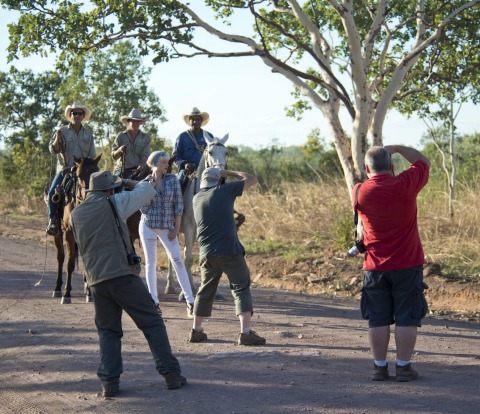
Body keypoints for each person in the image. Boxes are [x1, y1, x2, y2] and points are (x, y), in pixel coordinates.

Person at [69, 170, 187, 397]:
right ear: (110, 190)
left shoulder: (76, 214)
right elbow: (147, 190)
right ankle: (171, 373)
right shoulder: (115, 203)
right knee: (152, 322)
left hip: (96, 280)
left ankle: (109, 383)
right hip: (122, 275)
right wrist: (127, 181)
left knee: (108, 330)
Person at [354, 145, 430, 382]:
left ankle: (379, 367)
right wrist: (396, 148)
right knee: (407, 316)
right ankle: (404, 367)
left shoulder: (358, 191)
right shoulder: (405, 184)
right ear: (392, 165)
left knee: (377, 318)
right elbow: (422, 161)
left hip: (374, 266)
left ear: (367, 168)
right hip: (407, 263)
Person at [189, 167, 266, 346]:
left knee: (205, 290)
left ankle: (196, 330)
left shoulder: (196, 198)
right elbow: (252, 178)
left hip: (207, 253)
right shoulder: (224, 190)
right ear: (219, 180)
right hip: (229, 251)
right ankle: (245, 332)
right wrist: (228, 173)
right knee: (241, 287)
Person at [139, 150, 195, 317]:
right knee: (150, 262)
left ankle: (190, 301)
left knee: (177, 259)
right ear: (155, 163)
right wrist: (151, 188)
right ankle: (154, 302)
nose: (167, 164)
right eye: (163, 162)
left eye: (166, 162)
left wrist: (176, 228)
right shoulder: (145, 182)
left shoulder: (173, 180)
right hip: (148, 224)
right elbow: (143, 208)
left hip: (167, 226)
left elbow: (179, 205)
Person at [46, 102, 96, 235]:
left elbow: (92, 155)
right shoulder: (61, 131)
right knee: (53, 192)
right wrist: (57, 139)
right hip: (66, 170)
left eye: (80, 113)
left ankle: (98, 222)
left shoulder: (88, 134)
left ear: (83, 116)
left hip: (83, 170)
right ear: (70, 115)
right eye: (74, 113)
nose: (77, 115)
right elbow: (53, 150)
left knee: (99, 192)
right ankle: (53, 221)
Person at [172, 107, 213, 186]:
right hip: (187, 171)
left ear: (201, 121)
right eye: (193, 119)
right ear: (189, 121)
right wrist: (184, 164)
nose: (195, 121)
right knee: (178, 184)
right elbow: (175, 157)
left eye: (197, 119)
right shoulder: (182, 137)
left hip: (205, 169)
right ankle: (177, 198)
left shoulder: (209, 136)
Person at [112, 108, 151, 179]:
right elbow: (114, 156)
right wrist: (119, 150)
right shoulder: (120, 136)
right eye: (133, 121)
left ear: (140, 123)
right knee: (114, 186)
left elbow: (145, 155)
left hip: (138, 170)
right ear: (129, 122)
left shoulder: (145, 138)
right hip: (122, 170)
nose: (136, 123)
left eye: (138, 121)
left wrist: (141, 165)